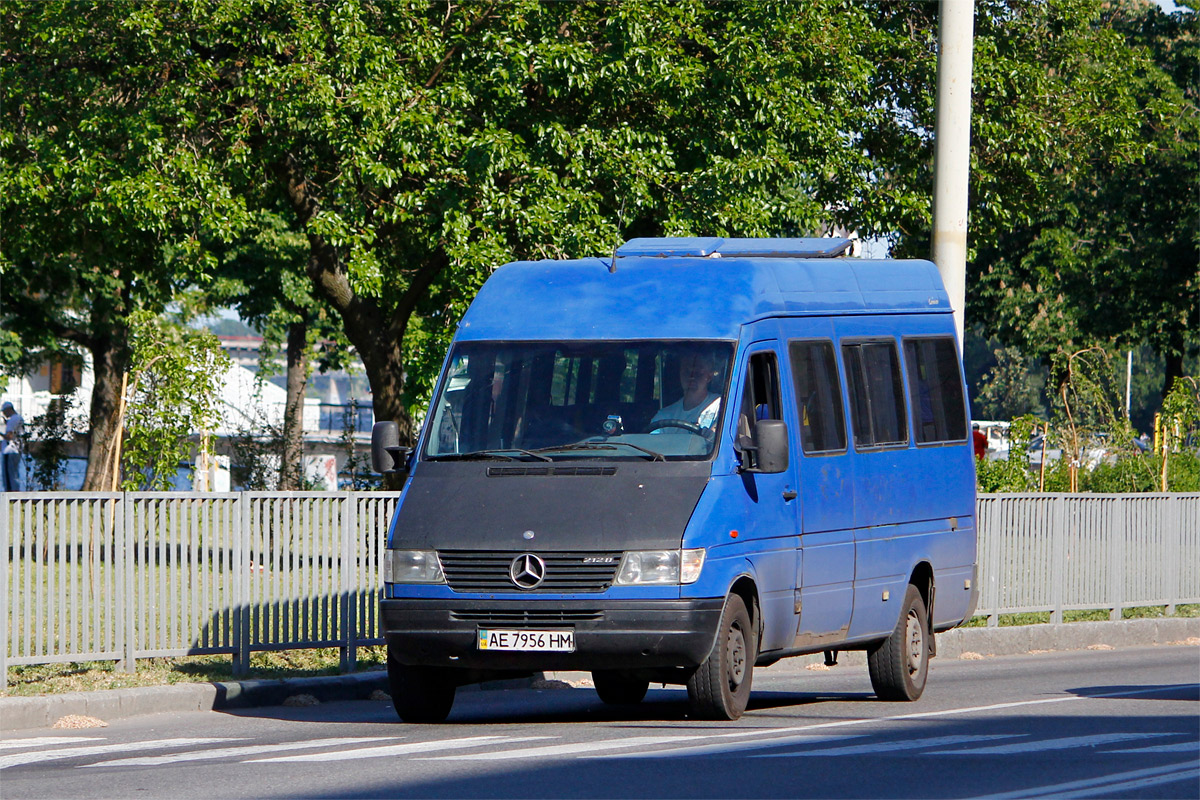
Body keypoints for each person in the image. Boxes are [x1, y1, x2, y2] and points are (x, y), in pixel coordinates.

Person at [651, 349, 721, 433]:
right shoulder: (664, 417)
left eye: (698, 373)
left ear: (709, 376)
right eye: (687, 372)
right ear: (680, 373)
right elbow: (650, 443)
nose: (691, 377)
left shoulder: (721, 406)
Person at [2, 401, 25, 491]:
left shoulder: (12, 420)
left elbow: (9, 436)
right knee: (14, 473)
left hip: (9, 450)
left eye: (4, 411)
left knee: (8, 474)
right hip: (17, 449)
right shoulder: (19, 418)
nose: (3, 413)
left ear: (8, 410)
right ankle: (16, 491)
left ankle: (10, 493)